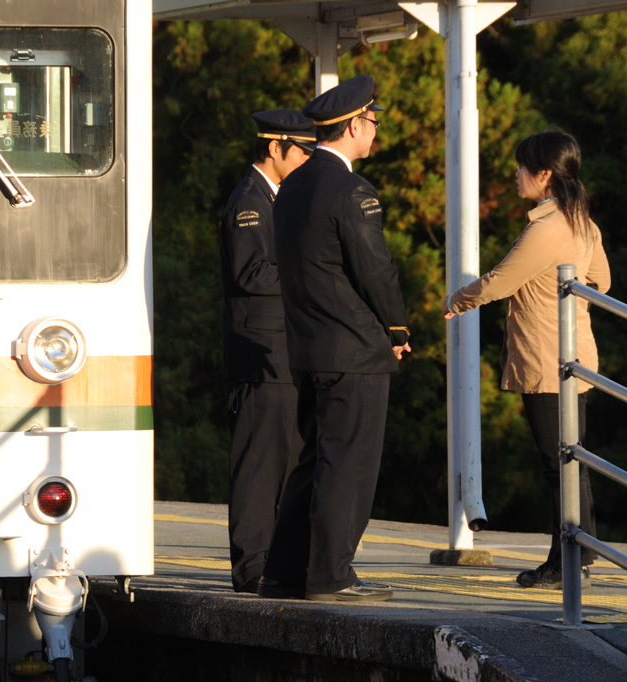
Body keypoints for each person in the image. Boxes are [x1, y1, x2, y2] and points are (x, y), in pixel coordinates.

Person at [257, 76, 411, 602]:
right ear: (351, 125)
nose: (375, 130)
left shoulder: (292, 185)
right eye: (372, 121)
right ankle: (331, 576)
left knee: (313, 459)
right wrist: (397, 328)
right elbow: (375, 270)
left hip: (308, 347)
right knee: (349, 464)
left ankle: (283, 572)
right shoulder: (351, 190)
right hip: (355, 349)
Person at [443, 130, 611, 589]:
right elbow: (602, 280)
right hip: (577, 357)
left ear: (544, 175)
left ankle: (566, 562)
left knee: (556, 462)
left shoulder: (548, 227)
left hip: (546, 361)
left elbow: (501, 280)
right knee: (570, 460)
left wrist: (457, 299)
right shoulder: (582, 222)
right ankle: (579, 553)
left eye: (522, 168)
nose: (515, 175)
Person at [220, 109, 315, 593]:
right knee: (260, 463)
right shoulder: (250, 201)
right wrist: (310, 276)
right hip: (260, 350)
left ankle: (277, 562)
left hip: (282, 351)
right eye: (301, 151)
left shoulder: (277, 197)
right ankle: (252, 565)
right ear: (275, 147)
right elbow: (251, 272)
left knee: (288, 458)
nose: (305, 160)